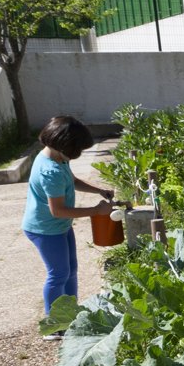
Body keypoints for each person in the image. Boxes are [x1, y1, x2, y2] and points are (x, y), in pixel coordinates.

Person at [22, 116, 114, 330]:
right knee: (58, 274)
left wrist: (98, 190)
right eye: (77, 150)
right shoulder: (50, 171)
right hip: (45, 229)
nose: (77, 155)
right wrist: (95, 211)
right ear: (65, 146)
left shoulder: (56, 159)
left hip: (59, 227)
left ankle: (71, 315)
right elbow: (58, 211)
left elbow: (71, 181)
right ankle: (53, 326)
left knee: (71, 269)